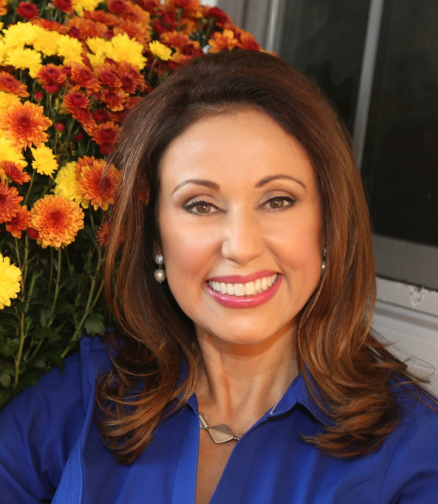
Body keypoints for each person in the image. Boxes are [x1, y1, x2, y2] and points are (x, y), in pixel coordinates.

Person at [1, 49, 438, 504]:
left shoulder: (414, 451)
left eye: (278, 201)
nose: (241, 246)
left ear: (328, 225)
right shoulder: (89, 392)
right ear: (156, 237)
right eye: (201, 205)